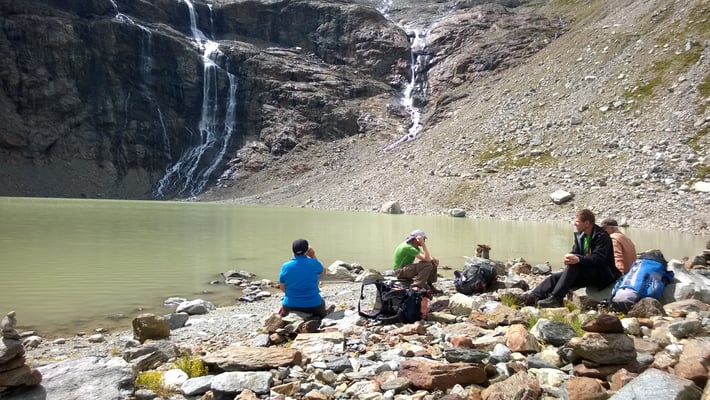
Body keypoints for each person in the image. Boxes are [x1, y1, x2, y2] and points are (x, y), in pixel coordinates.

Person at [521, 209, 622, 308]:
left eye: (577, 222)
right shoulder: (581, 235)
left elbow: (598, 259)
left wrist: (578, 259)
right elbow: (575, 252)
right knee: (555, 277)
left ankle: (556, 298)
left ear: (587, 223)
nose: (574, 224)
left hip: (602, 275)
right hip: (588, 272)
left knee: (575, 266)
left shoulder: (602, 236)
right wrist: (569, 257)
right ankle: (530, 298)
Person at [278, 239, 328, 317]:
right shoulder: (313, 263)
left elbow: (282, 287)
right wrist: (313, 256)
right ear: (307, 250)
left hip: (290, 305)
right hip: (313, 305)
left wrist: (294, 295)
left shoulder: (285, 266)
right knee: (322, 303)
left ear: (293, 250)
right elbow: (323, 272)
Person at [393, 229, 443, 295]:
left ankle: (430, 286)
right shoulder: (407, 247)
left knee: (432, 263)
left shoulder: (414, 247)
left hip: (405, 269)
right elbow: (427, 259)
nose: (424, 240)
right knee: (428, 265)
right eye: (423, 239)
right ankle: (416, 287)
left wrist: (433, 260)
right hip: (400, 272)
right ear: (417, 239)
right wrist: (423, 245)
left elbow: (427, 257)